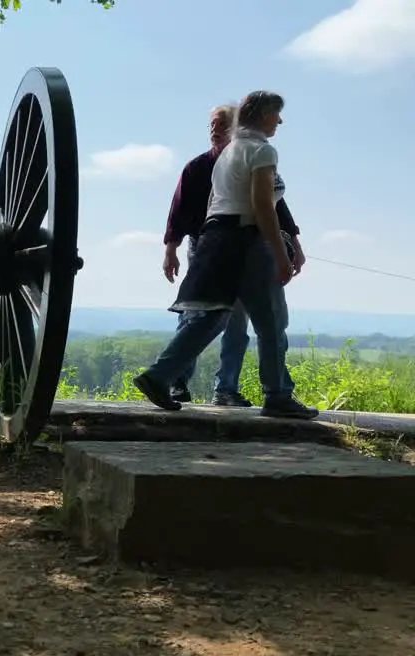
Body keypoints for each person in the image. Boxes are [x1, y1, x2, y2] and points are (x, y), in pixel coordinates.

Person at [134, 91, 318, 420]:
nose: (280, 120)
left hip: (216, 240)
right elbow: (264, 206)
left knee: (212, 317)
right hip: (248, 241)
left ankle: (158, 376)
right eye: (277, 114)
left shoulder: (227, 153)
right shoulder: (262, 150)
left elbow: (216, 204)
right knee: (272, 321)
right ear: (263, 115)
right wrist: (280, 254)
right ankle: (277, 395)